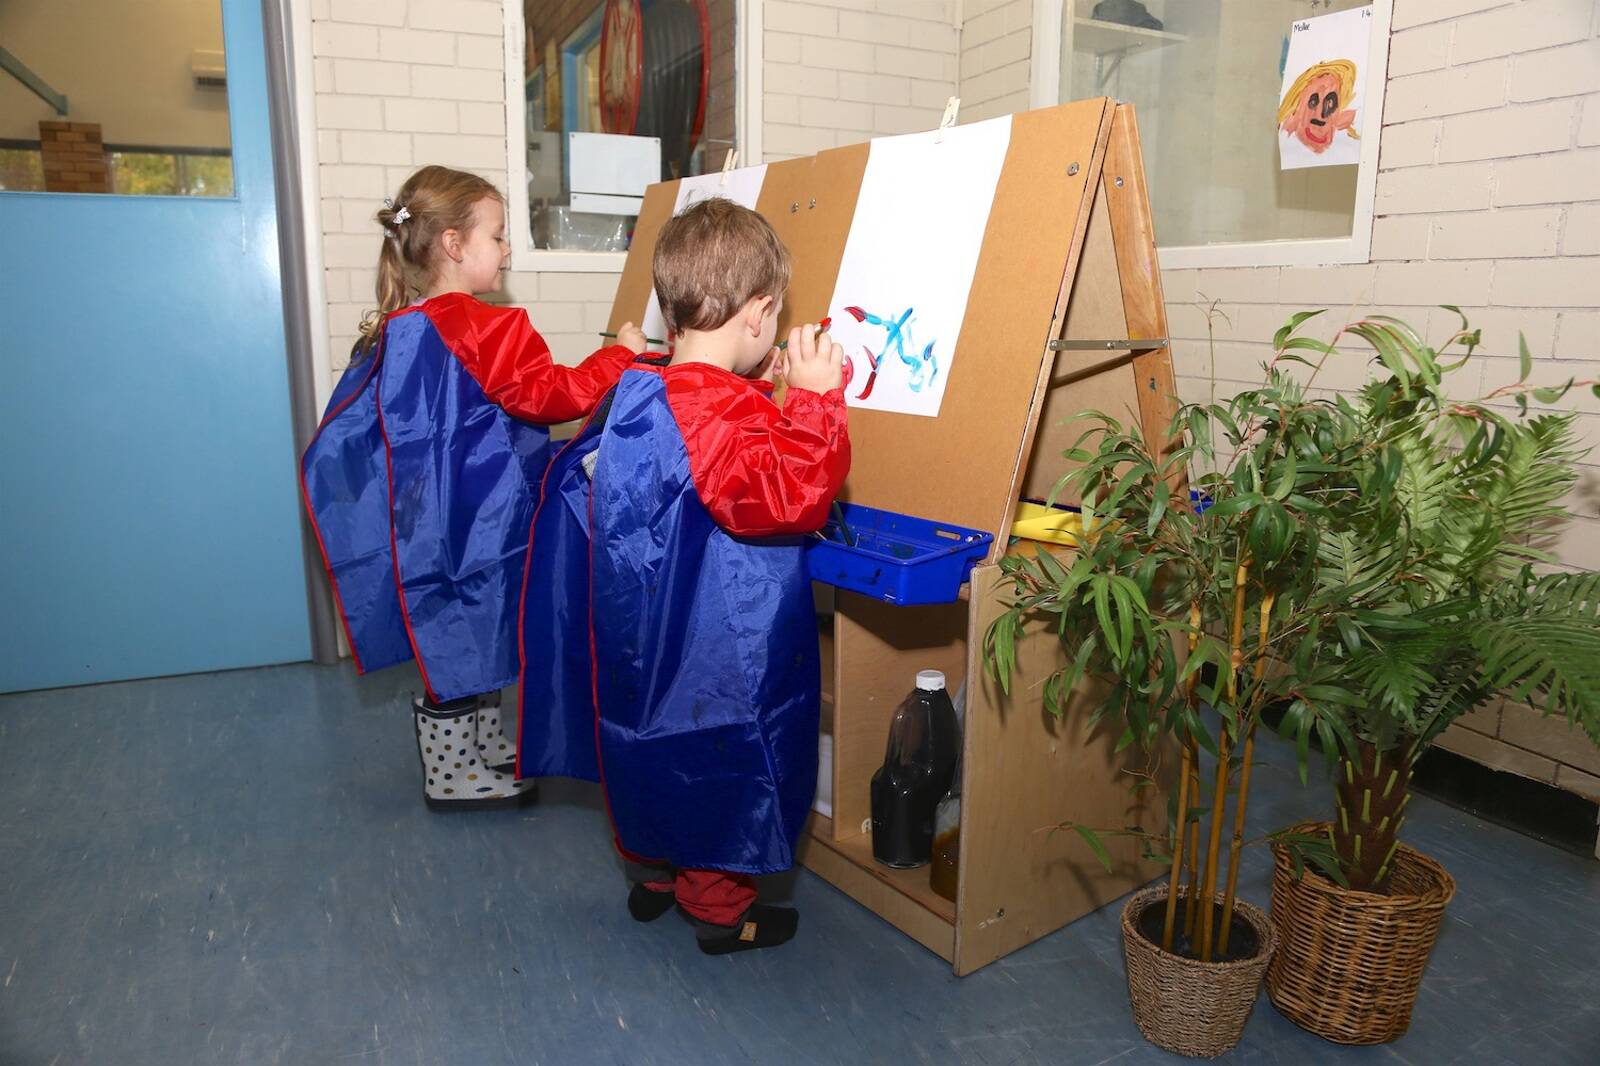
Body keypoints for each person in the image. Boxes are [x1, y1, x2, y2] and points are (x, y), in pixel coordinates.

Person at [521, 197, 849, 953]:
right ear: (761, 314)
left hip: (633, 627)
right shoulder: (724, 413)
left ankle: (652, 881)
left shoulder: (639, 389)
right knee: (721, 756)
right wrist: (816, 399)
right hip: (709, 646)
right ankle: (718, 913)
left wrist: (761, 397)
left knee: (639, 746)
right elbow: (790, 497)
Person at [300, 164, 645, 810]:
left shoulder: (399, 324)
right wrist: (620, 355)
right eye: (499, 236)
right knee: (469, 634)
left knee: (469, 631)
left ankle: (483, 750)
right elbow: (551, 395)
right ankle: (451, 776)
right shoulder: (483, 325)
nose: (508, 249)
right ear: (455, 245)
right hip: (486, 514)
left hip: (432, 517)